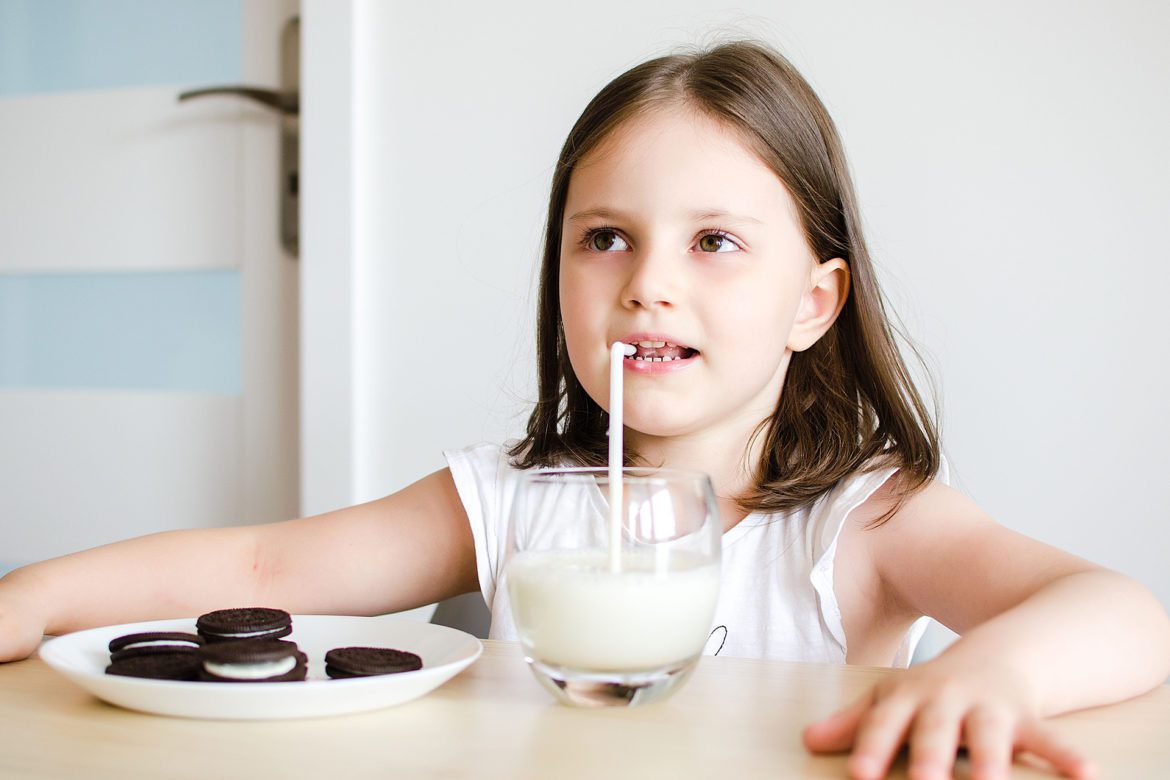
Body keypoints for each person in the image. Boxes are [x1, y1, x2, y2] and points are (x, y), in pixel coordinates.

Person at [1, 39, 1167, 779]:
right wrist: (36, 596)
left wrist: (991, 676)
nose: (648, 281)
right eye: (606, 238)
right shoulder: (504, 502)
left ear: (814, 301)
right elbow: (264, 563)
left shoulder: (860, 524)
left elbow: (1119, 613)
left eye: (714, 243)